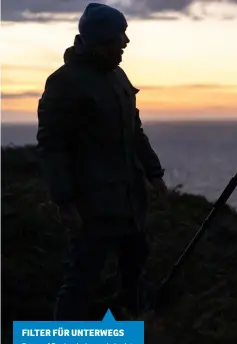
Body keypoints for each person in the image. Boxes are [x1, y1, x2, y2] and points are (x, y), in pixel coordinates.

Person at [36, 2, 168, 320]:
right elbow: (52, 146)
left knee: (134, 274)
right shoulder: (64, 82)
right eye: (119, 35)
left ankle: (132, 334)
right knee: (82, 281)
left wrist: (154, 173)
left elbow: (135, 132)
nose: (126, 42)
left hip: (129, 200)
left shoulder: (118, 75)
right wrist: (65, 202)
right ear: (99, 41)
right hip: (92, 206)